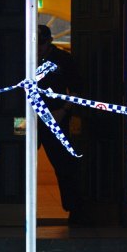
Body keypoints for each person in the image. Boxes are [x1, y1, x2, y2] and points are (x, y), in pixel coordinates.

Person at [37, 24, 87, 225]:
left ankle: (75, 209)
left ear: (49, 41)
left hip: (56, 117)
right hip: (29, 118)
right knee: (19, 164)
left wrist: (63, 111)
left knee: (64, 165)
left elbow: (77, 89)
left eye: (41, 43)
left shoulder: (63, 59)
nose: (38, 48)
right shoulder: (26, 57)